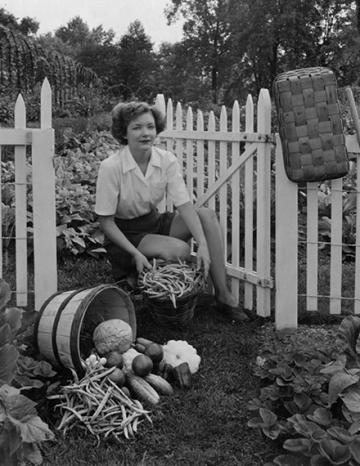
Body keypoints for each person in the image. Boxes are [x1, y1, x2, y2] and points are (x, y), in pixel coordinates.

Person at [94, 101, 248, 322]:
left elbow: (184, 205)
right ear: (124, 133)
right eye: (137, 127)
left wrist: (202, 243)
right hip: (125, 234)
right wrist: (136, 253)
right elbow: (106, 223)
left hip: (153, 222)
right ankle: (134, 275)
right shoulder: (111, 167)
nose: (145, 133)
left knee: (206, 215)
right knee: (180, 250)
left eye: (150, 126)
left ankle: (223, 297)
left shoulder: (166, 160)